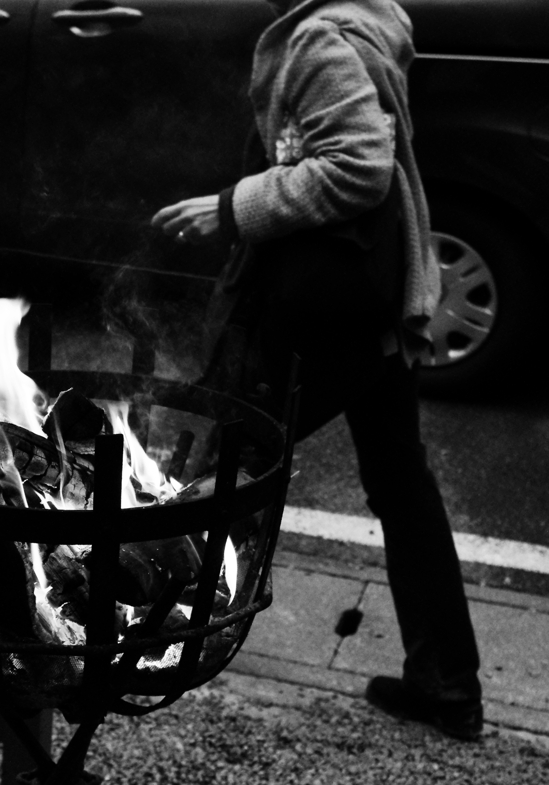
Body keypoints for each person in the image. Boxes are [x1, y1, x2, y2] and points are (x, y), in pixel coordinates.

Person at [151, 0, 483, 740]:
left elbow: (361, 166)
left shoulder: (317, 39)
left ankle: (134, 640)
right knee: (402, 483)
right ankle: (449, 685)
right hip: (374, 305)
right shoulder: (373, 21)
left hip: (324, 310)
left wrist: (234, 208)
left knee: (226, 462)